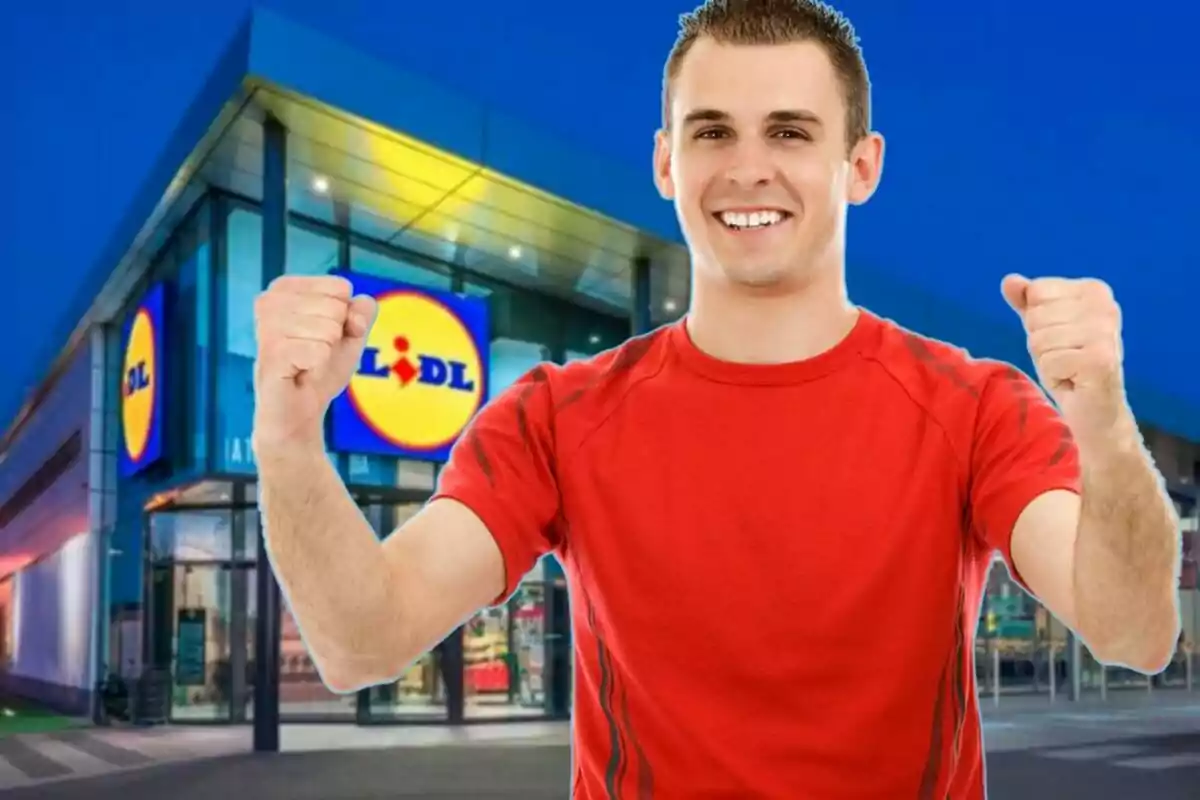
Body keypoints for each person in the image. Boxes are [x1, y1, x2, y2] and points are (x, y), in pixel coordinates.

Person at [250, 0, 1182, 796]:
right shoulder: (553, 419)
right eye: (712, 132)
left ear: (861, 166)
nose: (747, 168)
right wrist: (289, 442)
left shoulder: (975, 407)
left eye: (789, 131)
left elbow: (1133, 630)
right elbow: (363, 643)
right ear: (665, 163)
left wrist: (1101, 421)